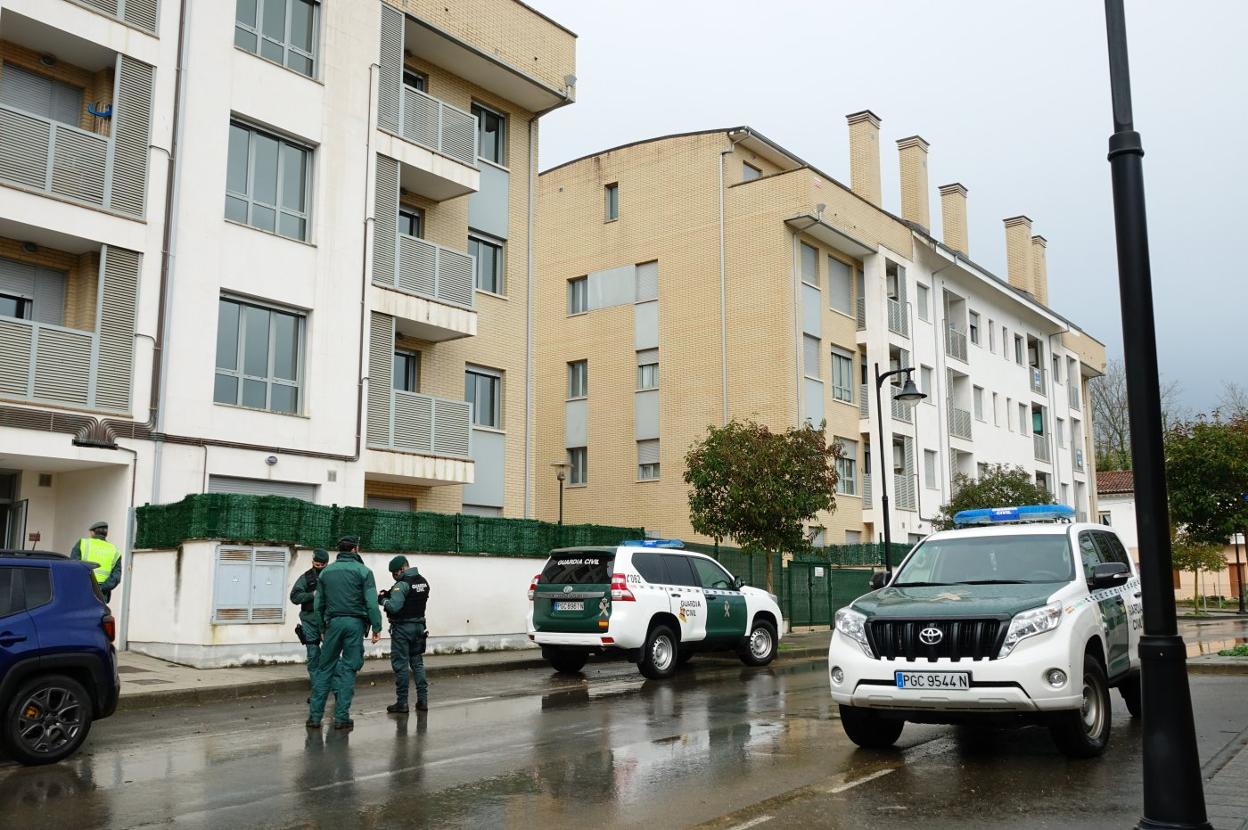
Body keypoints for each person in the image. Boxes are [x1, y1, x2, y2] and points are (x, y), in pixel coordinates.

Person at [306, 536, 383, 731]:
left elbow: (318, 605)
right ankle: (341, 718)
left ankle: (315, 718)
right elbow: (372, 603)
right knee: (348, 669)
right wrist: (376, 627)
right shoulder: (364, 572)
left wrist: (323, 628)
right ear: (355, 550)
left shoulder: (325, 573)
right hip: (355, 625)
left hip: (332, 624)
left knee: (325, 668)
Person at [379, 555, 430, 713]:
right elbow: (410, 598)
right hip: (419, 628)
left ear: (402, 569)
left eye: (395, 573)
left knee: (401, 666)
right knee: (418, 664)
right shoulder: (423, 581)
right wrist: (391, 592)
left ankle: (402, 703)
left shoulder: (402, 584)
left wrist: (382, 600)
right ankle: (423, 701)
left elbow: (394, 607)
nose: (394, 576)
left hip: (403, 629)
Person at [290, 549, 329, 684]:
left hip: (327, 622)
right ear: (312, 562)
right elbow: (294, 597)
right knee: (313, 655)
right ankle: (317, 687)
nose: (318, 567)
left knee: (330, 654)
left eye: (321, 565)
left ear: (326, 564)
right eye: (316, 564)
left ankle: (333, 686)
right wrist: (311, 595)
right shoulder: (306, 578)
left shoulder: (333, 576)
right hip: (309, 621)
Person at [70, 521, 122, 603]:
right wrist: (101, 588)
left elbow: (73, 566)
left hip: (83, 590)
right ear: (106, 534)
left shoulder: (82, 543)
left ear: (92, 533)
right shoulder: (114, 550)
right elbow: (116, 577)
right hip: (102, 594)